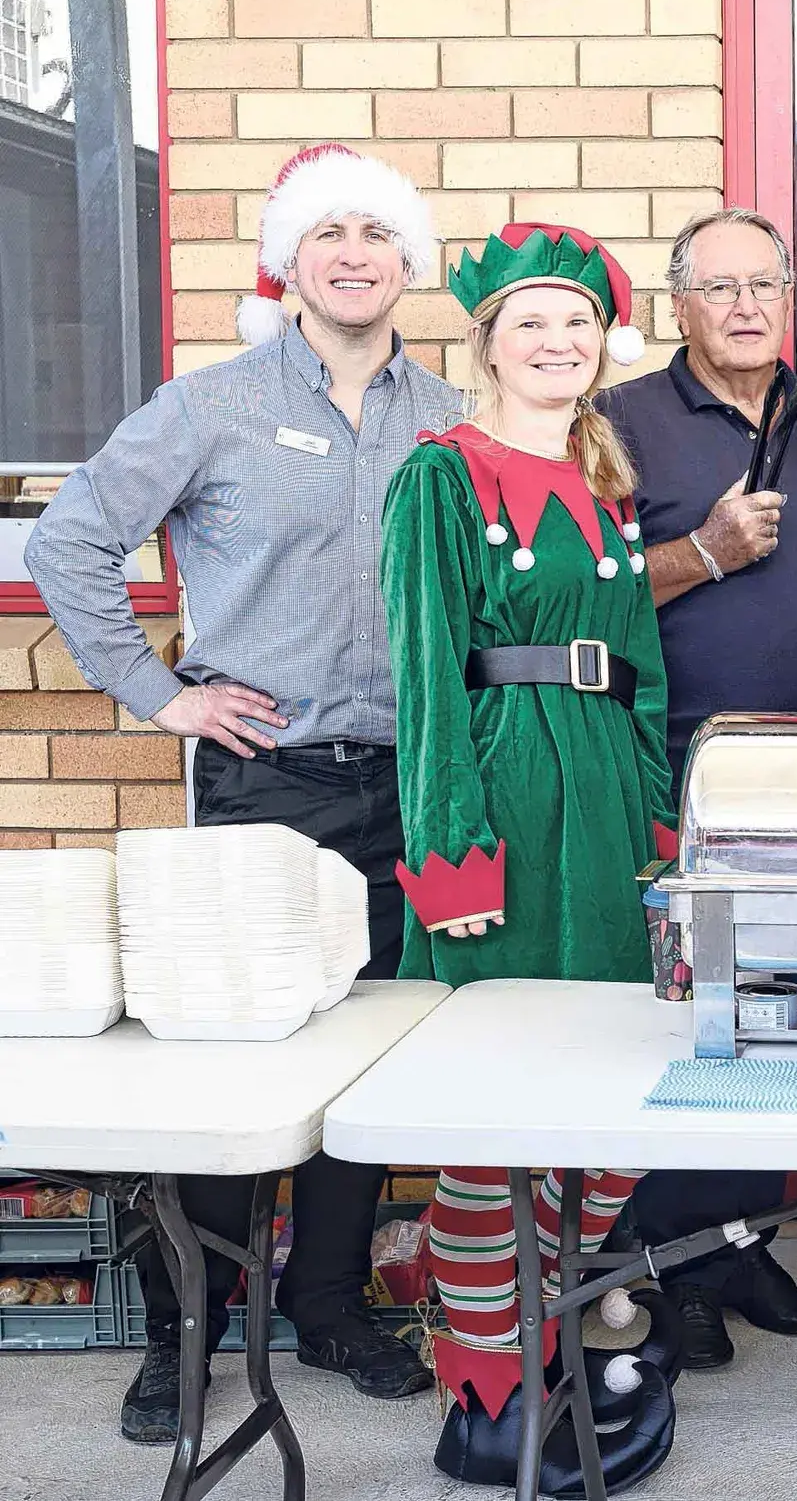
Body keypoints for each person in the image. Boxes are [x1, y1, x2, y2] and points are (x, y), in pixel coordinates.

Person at [26, 143, 453, 1439]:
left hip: (410, 781)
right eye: (325, 234)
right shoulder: (207, 404)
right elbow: (70, 538)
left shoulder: (447, 418)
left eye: (374, 234)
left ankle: (327, 1303)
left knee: (364, 1058)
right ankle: (186, 1335)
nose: (351, 254)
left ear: (405, 262)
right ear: (289, 258)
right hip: (269, 782)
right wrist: (164, 695)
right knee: (228, 1072)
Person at [384, 223, 682, 1492]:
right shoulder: (439, 477)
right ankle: (490, 1390)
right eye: (530, 326)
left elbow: (645, 671)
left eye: (577, 324)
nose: (558, 343)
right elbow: (424, 683)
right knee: (489, 1120)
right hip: (507, 793)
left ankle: (547, 1326)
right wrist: (451, 857)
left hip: (609, 797)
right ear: (486, 344)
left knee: (612, 1102)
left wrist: (667, 829)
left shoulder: (604, 480)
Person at [598, 205, 797, 1370]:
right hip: (676, 764)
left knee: (781, 1010)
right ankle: (670, 1264)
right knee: (692, 1019)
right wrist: (703, 549)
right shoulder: (618, 425)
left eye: (766, 284)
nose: (749, 306)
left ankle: (743, 1238)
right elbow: (583, 595)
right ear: (680, 306)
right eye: (722, 288)